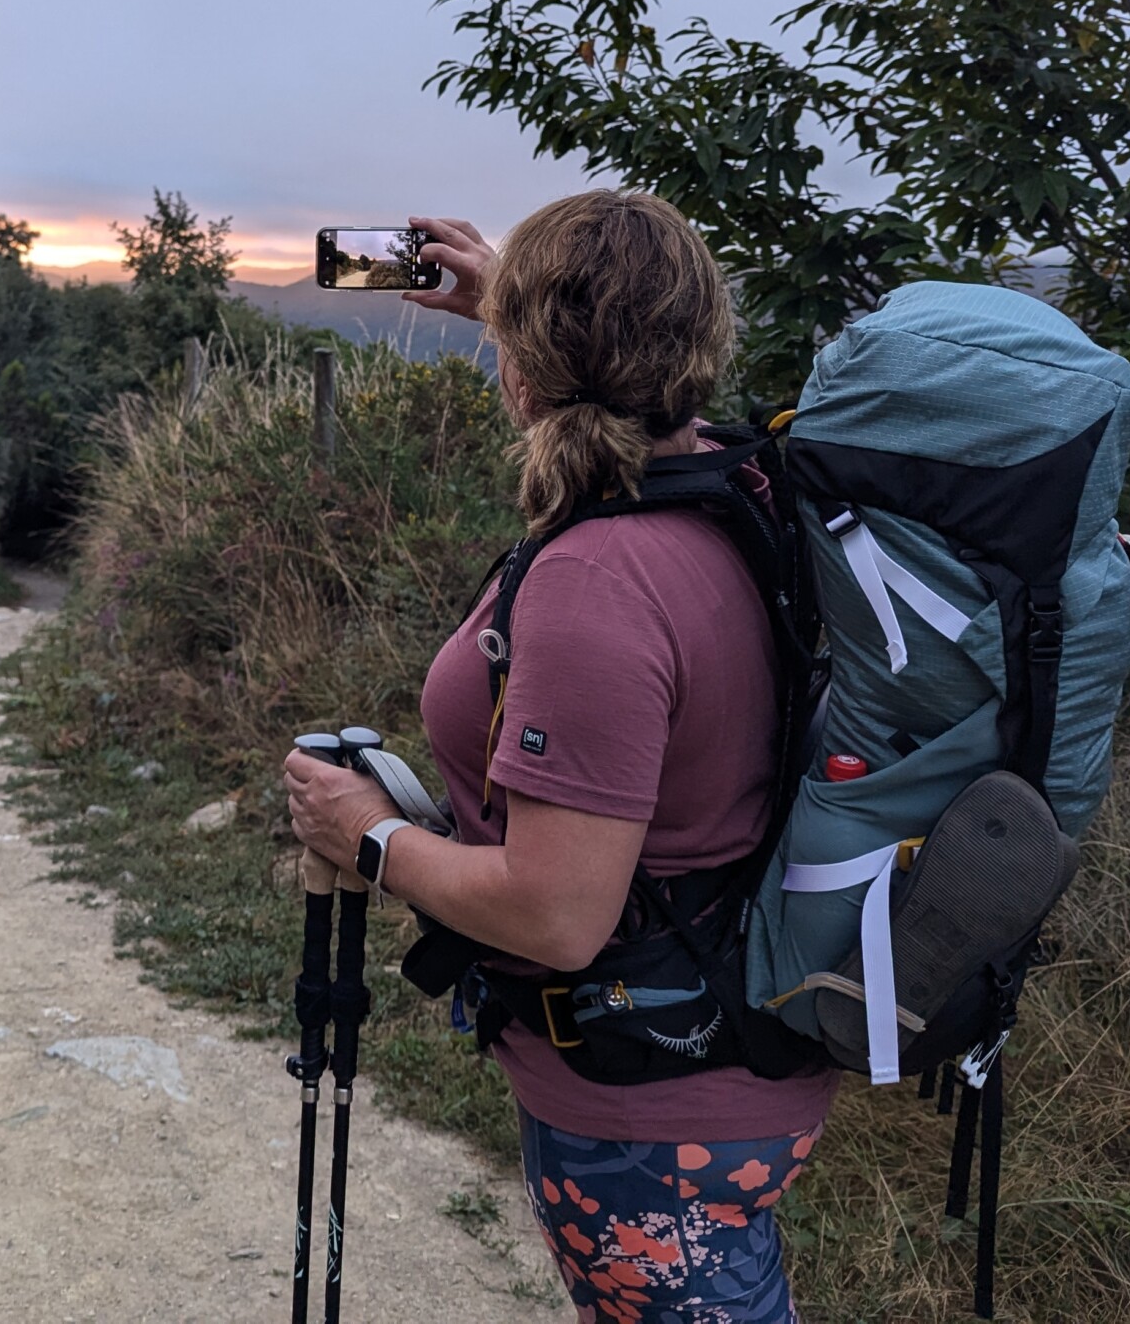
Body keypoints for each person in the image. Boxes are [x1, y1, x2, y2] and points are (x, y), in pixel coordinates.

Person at [284, 193, 838, 1324]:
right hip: (721, 1049)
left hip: (651, 1107)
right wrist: (511, 298)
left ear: (525, 376)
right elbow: (620, 389)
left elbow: (553, 915)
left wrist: (366, 836)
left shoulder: (598, 578)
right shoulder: (737, 483)